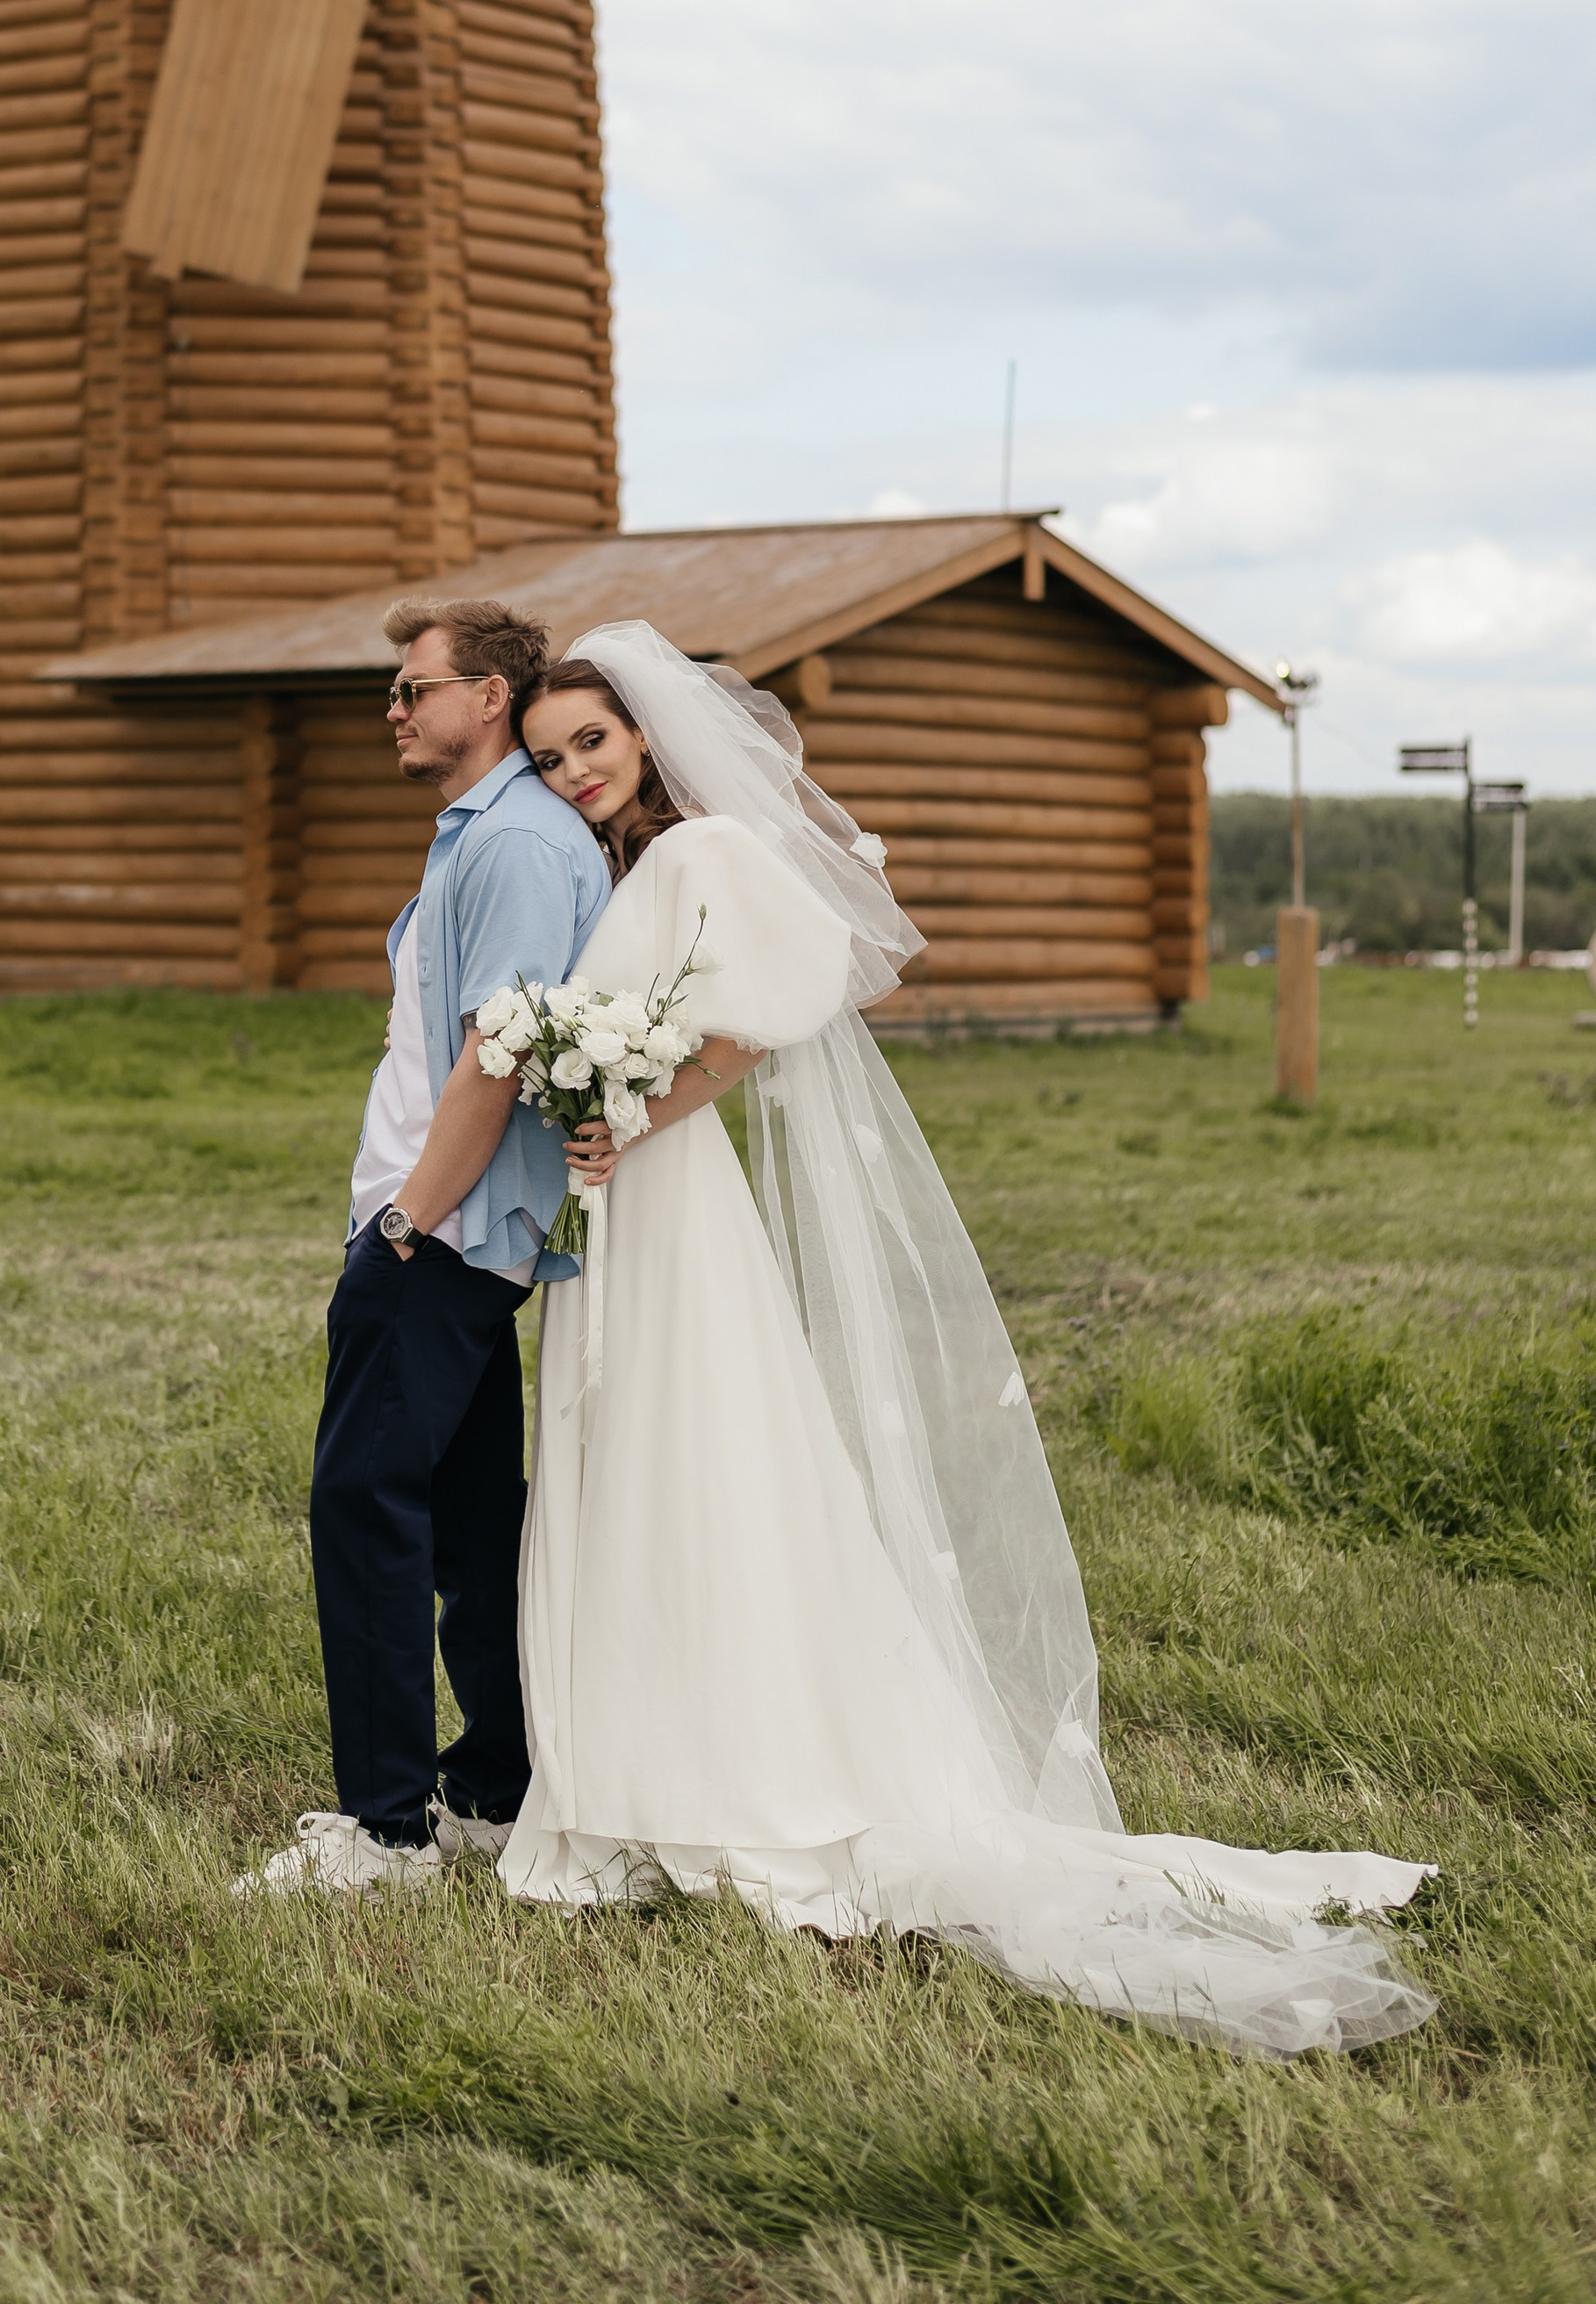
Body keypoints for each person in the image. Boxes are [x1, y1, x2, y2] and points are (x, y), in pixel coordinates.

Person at [500, 623, 1436, 2056]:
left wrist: (632, 1113)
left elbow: (764, 1019)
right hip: (623, 1194)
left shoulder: (701, 852)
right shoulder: (616, 868)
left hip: (669, 1192)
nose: (573, 769)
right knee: (628, 1444)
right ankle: (628, 1760)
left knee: (694, 1446)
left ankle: (729, 1767)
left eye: (592, 742)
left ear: (645, 736)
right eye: (550, 755)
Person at [238, 597, 612, 1898]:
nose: (392, 709)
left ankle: (386, 1830)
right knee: (469, 1525)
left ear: (488, 698)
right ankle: (496, 1794)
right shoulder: (487, 834)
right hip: (454, 1234)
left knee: (365, 1508)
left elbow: (494, 1057)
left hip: (438, 1237)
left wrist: (403, 1223)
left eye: (414, 688)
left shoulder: (513, 842)